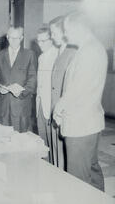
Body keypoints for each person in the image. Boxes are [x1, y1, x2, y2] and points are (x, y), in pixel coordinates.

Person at [53, 12, 107, 191]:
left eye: (67, 30)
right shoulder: (93, 48)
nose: (66, 34)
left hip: (80, 125)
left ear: (79, 28)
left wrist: (58, 109)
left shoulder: (88, 51)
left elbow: (77, 88)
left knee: (77, 182)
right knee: (92, 172)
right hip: (90, 122)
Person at [0, 26, 37, 133]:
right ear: (7, 37)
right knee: (3, 141)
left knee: (21, 142)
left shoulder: (30, 55)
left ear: (22, 38)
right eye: (11, 38)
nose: (14, 41)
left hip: (21, 107)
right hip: (3, 108)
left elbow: (33, 79)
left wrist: (22, 91)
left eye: (17, 38)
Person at [49, 16, 77, 169]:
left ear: (64, 32)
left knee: (66, 156)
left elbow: (73, 87)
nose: (52, 37)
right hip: (56, 111)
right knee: (57, 151)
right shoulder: (59, 51)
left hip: (65, 112)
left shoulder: (73, 53)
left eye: (54, 33)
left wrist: (61, 110)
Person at [36, 26, 58, 164]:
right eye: (39, 41)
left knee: (54, 145)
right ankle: (46, 169)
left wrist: (53, 109)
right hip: (40, 106)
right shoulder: (41, 57)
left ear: (52, 39)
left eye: (44, 41)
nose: (41, 44)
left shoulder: (57, 55)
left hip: (50, 106)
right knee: (43, 143)